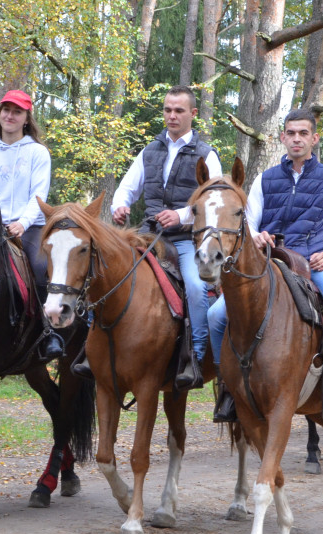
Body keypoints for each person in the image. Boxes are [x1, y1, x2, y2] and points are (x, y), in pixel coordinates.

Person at [209, 108, 323, 421]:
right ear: (283, 137)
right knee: (215, 316)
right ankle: (226, 386)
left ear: (314, 138)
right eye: (291, 133)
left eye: (303, 133)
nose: (296, 139)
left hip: (313, 263)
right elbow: (248, 222)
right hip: (269, 263)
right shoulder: (264, 180)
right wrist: (256, 237)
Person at [106, 85, 221, 389]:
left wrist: (181, 215)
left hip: (185, 239)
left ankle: (194, 357)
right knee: (102, 271)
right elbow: (127, 187)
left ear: (193, 114)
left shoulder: (207, 154)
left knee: (197, 289)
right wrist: (120, 205)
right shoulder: (150, 150)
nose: (171, 116)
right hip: (147, 235)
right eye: (168, 110)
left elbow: (213, 202)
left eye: (179, 110)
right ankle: (91, 352)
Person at [0, 89, 61, 361]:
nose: (10, 115)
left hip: (29, 227)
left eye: (17, 111)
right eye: (6, 110)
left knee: (38, 268)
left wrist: (22, 223)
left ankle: (48, 333)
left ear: (26, 118)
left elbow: (39, 195)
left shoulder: (37, 153)